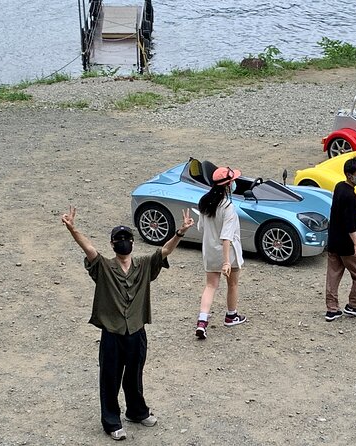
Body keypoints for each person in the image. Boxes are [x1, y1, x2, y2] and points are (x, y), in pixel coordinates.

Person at [61, 205, 194, 441]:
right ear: (112, 244)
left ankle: (136, 412)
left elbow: (164, 252)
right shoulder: (103, 267)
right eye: (118, 239)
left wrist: (180, 232)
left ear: (133, 242)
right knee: (110, 378)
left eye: (127, 238)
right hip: (112, 333)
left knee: (135, 374)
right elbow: (89, 248)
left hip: (136, 331)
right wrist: (73, 229)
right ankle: (111, 422)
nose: (124, 242)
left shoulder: (143, 265)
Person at [195, 166, 247, 339]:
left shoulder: (204, 202)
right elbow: (227, 237)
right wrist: (226, 261)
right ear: (227, 185)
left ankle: (202, 321)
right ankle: (231, 315)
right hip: (228, 253)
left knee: (210, 285)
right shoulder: (228, 207)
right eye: (232, 182)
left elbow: (201, 227)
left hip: (209, 251)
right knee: (232, 284)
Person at [325, 157, 356, 322]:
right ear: (349, 175)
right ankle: (354, 305)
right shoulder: (351, 196)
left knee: (333, 276)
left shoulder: (339, 187)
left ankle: (332, 309)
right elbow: (350, 224)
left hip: (334, 241)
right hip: (347, 245)